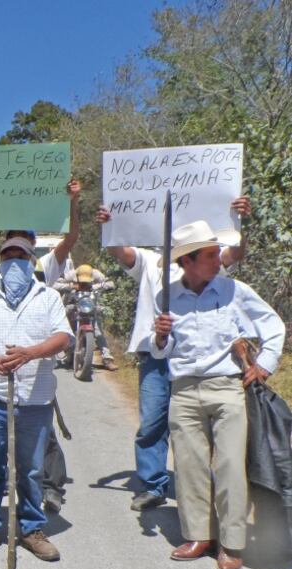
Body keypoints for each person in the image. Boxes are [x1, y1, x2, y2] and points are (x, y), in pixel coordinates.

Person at [95, 196, 251, 511]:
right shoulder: (149, 260)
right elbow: (119, 251)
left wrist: (240, 221)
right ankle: (153, 484)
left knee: (198, 424)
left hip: (198, 358)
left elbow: (235, 252)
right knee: (153, 422)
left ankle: (199, 485)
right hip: (156, 356)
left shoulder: (207, 257)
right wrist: (109, 225)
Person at [151, 220, 284, 569]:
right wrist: (160, 337)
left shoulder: (234, 290)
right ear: (188, 261)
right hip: (183, 390)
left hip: (227, 387)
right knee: (189, 466)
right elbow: (162, 351)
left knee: (230, 466)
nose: (218, 259)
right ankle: (198, 536)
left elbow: (272, 325)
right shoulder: (166, 297)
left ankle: (231, 543)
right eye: (210, 255)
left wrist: (265, 365)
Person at [0, 181, 81, 513]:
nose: (15, 258)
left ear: (32, 250)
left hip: (36, 377)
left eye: (23, 249)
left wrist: (74, 202)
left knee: (40, 441)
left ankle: (49, 488)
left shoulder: (45, 269)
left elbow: (70, 239)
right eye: (10, 249)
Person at [0, 237, 73, 562]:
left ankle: (32, 528)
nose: (13, 262)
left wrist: (30, 353)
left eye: (20, 255)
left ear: (32, 261)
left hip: (36, 398)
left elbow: (63, 337)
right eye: (7, 256)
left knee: (32, 469)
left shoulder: (48, 297)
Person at [55, 264, 117, 371]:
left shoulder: (97, 274)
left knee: (98, 330)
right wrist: (71, 286)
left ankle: (107, 358)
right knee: (64, 326)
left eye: (86, 282)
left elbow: (111, 283)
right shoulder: (70, 274)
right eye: (82, 282)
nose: (84, 283)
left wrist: (95, 286)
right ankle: (66, 351)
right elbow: (54, 284)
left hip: (89, 304)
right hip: (72, 303)